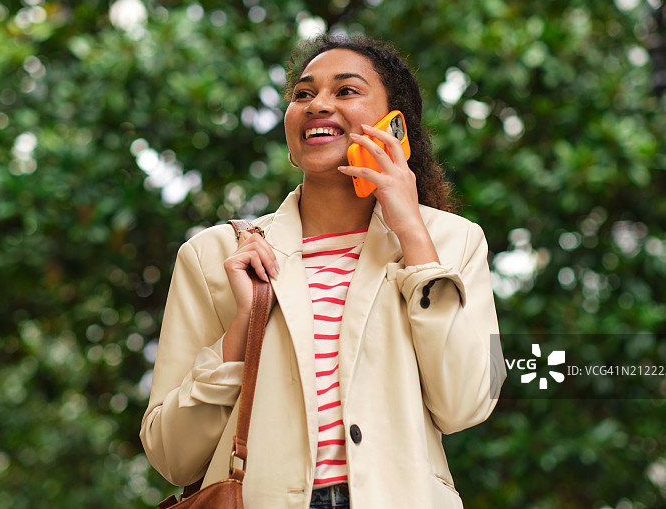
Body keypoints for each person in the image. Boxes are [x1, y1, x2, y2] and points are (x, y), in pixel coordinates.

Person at [140, 33, 506, 509]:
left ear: (395, 127)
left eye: (346, 91)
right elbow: (170, 456)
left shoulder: (458, 241)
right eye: (303, 95)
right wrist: (241, 328)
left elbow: (470, 403)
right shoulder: (213, 256)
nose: (317, 105)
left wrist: (415, 239)